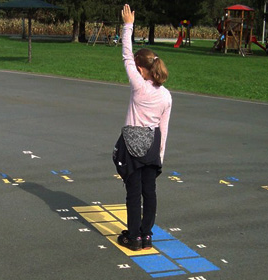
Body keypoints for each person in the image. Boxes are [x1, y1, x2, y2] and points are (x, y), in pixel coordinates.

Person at [115, 4, 172, 251]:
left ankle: (134, 237)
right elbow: (164, 127)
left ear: (139, 69)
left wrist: (128, 25)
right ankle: (146, 235)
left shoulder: (139, 86)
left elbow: (126, 54)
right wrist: (160, 155)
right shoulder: (167, 96)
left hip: (132, 144)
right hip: (152, 145)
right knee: (150, 192)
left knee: (133, 192)